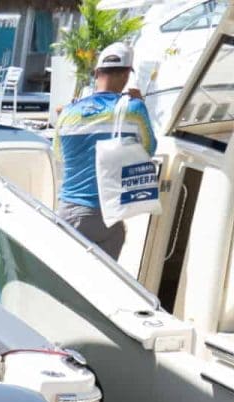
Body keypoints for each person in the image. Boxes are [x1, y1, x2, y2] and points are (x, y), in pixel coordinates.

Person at [53, 43, 158, 257]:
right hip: (107, 215)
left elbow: (59, 154)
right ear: (126, 75)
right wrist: (139, 102)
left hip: (67, 211)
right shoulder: (133, 108)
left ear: (96, 73)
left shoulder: (67, 112)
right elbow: (149, 149)